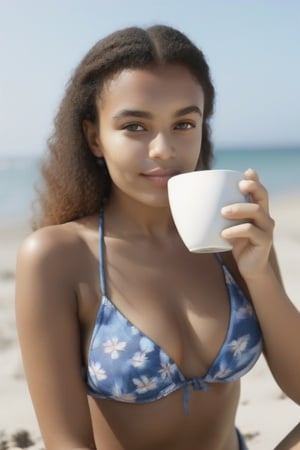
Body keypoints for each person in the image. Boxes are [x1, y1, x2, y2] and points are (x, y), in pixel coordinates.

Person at [15, 25, 300, 450]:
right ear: (95, 137)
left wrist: (259, 273)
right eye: (135, 126)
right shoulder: (58, 257)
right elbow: (66, 443)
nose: (164, 149)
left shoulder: (231, 235)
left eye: (184, 123)